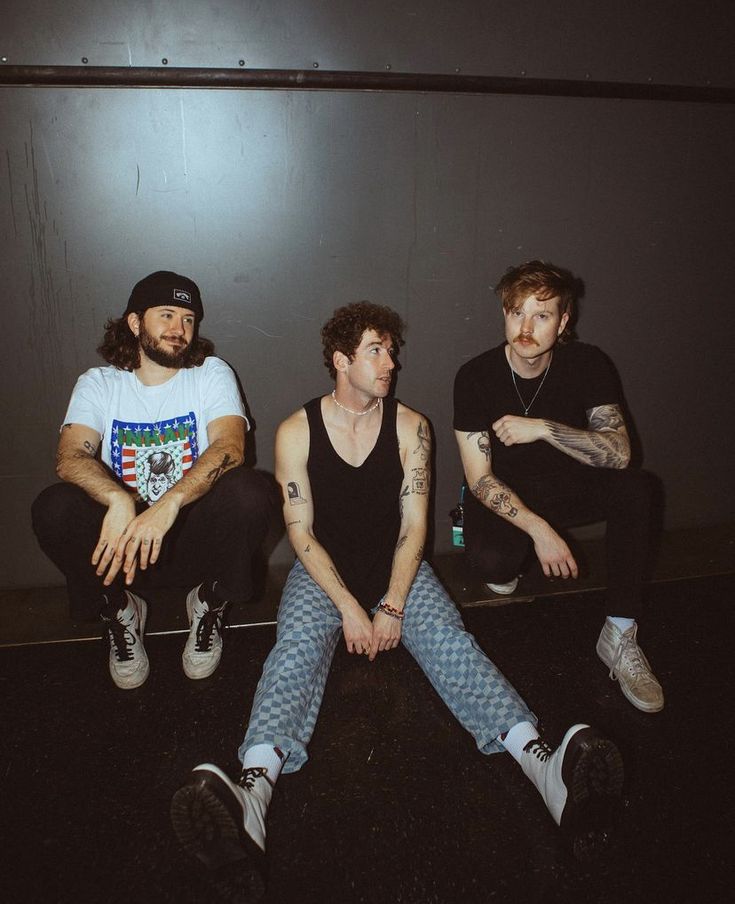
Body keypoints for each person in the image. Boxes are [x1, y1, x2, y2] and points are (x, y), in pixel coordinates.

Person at [171, 302, 624, 894]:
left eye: (391, 350)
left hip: (396, 568)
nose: (392, 362)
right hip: (323, 572)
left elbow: (414, 528)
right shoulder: (295, 430)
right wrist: (351, 609)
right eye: (376, 351)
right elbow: (301, 534)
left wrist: (390, 602)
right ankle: (252, 792)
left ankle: (543, 766)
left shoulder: (412, 427)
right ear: (341, 360)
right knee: (296, 649)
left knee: (449, 642)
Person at [31, 270, 272, 689]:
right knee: (54, 506)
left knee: (252, 491)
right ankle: (119, 609)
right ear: (135, 322)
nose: (179, 329)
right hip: (122, 553)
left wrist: (169, 504)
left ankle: (209, 601)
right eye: (166, 315)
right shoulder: (99, 383)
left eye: (188, 319)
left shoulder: (210, 373)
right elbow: (70, 457)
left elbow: (230, 448)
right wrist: (119, 499)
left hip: (191, 542)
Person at [453, 260, 663, 714]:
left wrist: (545, 428)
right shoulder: (475, 376)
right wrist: (540, 531)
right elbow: (479, 479)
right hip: (508, 496)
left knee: (637, 488)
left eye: (542, 315)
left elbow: (620, 453)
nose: (525, 327)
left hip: (568, 487)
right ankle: (512, 556)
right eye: (516, 313)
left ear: (564, 321)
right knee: (494, 567)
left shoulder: (588, 363)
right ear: (504, 314)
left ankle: (620, 633)